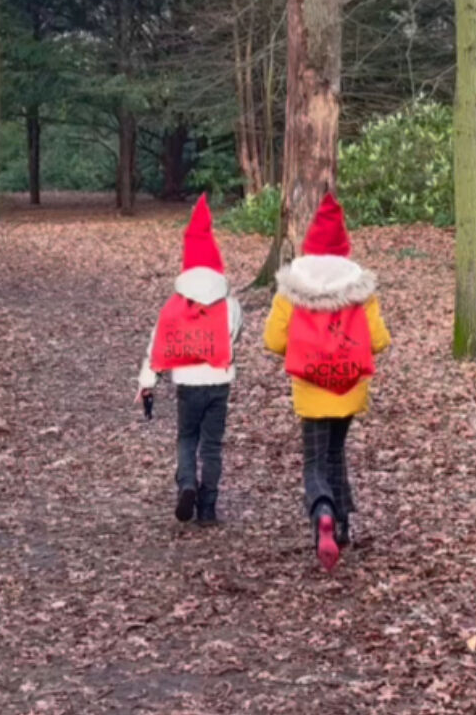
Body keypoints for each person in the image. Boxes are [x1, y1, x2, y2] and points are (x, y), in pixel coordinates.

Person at [264, 193, 391, 570]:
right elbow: (380, 340)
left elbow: (273, 340)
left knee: (316, 459)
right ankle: (343, 526)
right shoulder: (359, 291)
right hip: (349, 388)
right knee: (337, 453)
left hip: (311, 390)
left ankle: (322, 510)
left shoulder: (293, 290)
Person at [137, 194, 242, 526]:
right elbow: (233, 336)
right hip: (219, 382)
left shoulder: (173, 306)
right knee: (211, 445)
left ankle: (186, 484)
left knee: (186, 438)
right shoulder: (230, 305)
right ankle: (208, 507)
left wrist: (146, 383)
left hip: (187, 385)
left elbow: (158, 343)